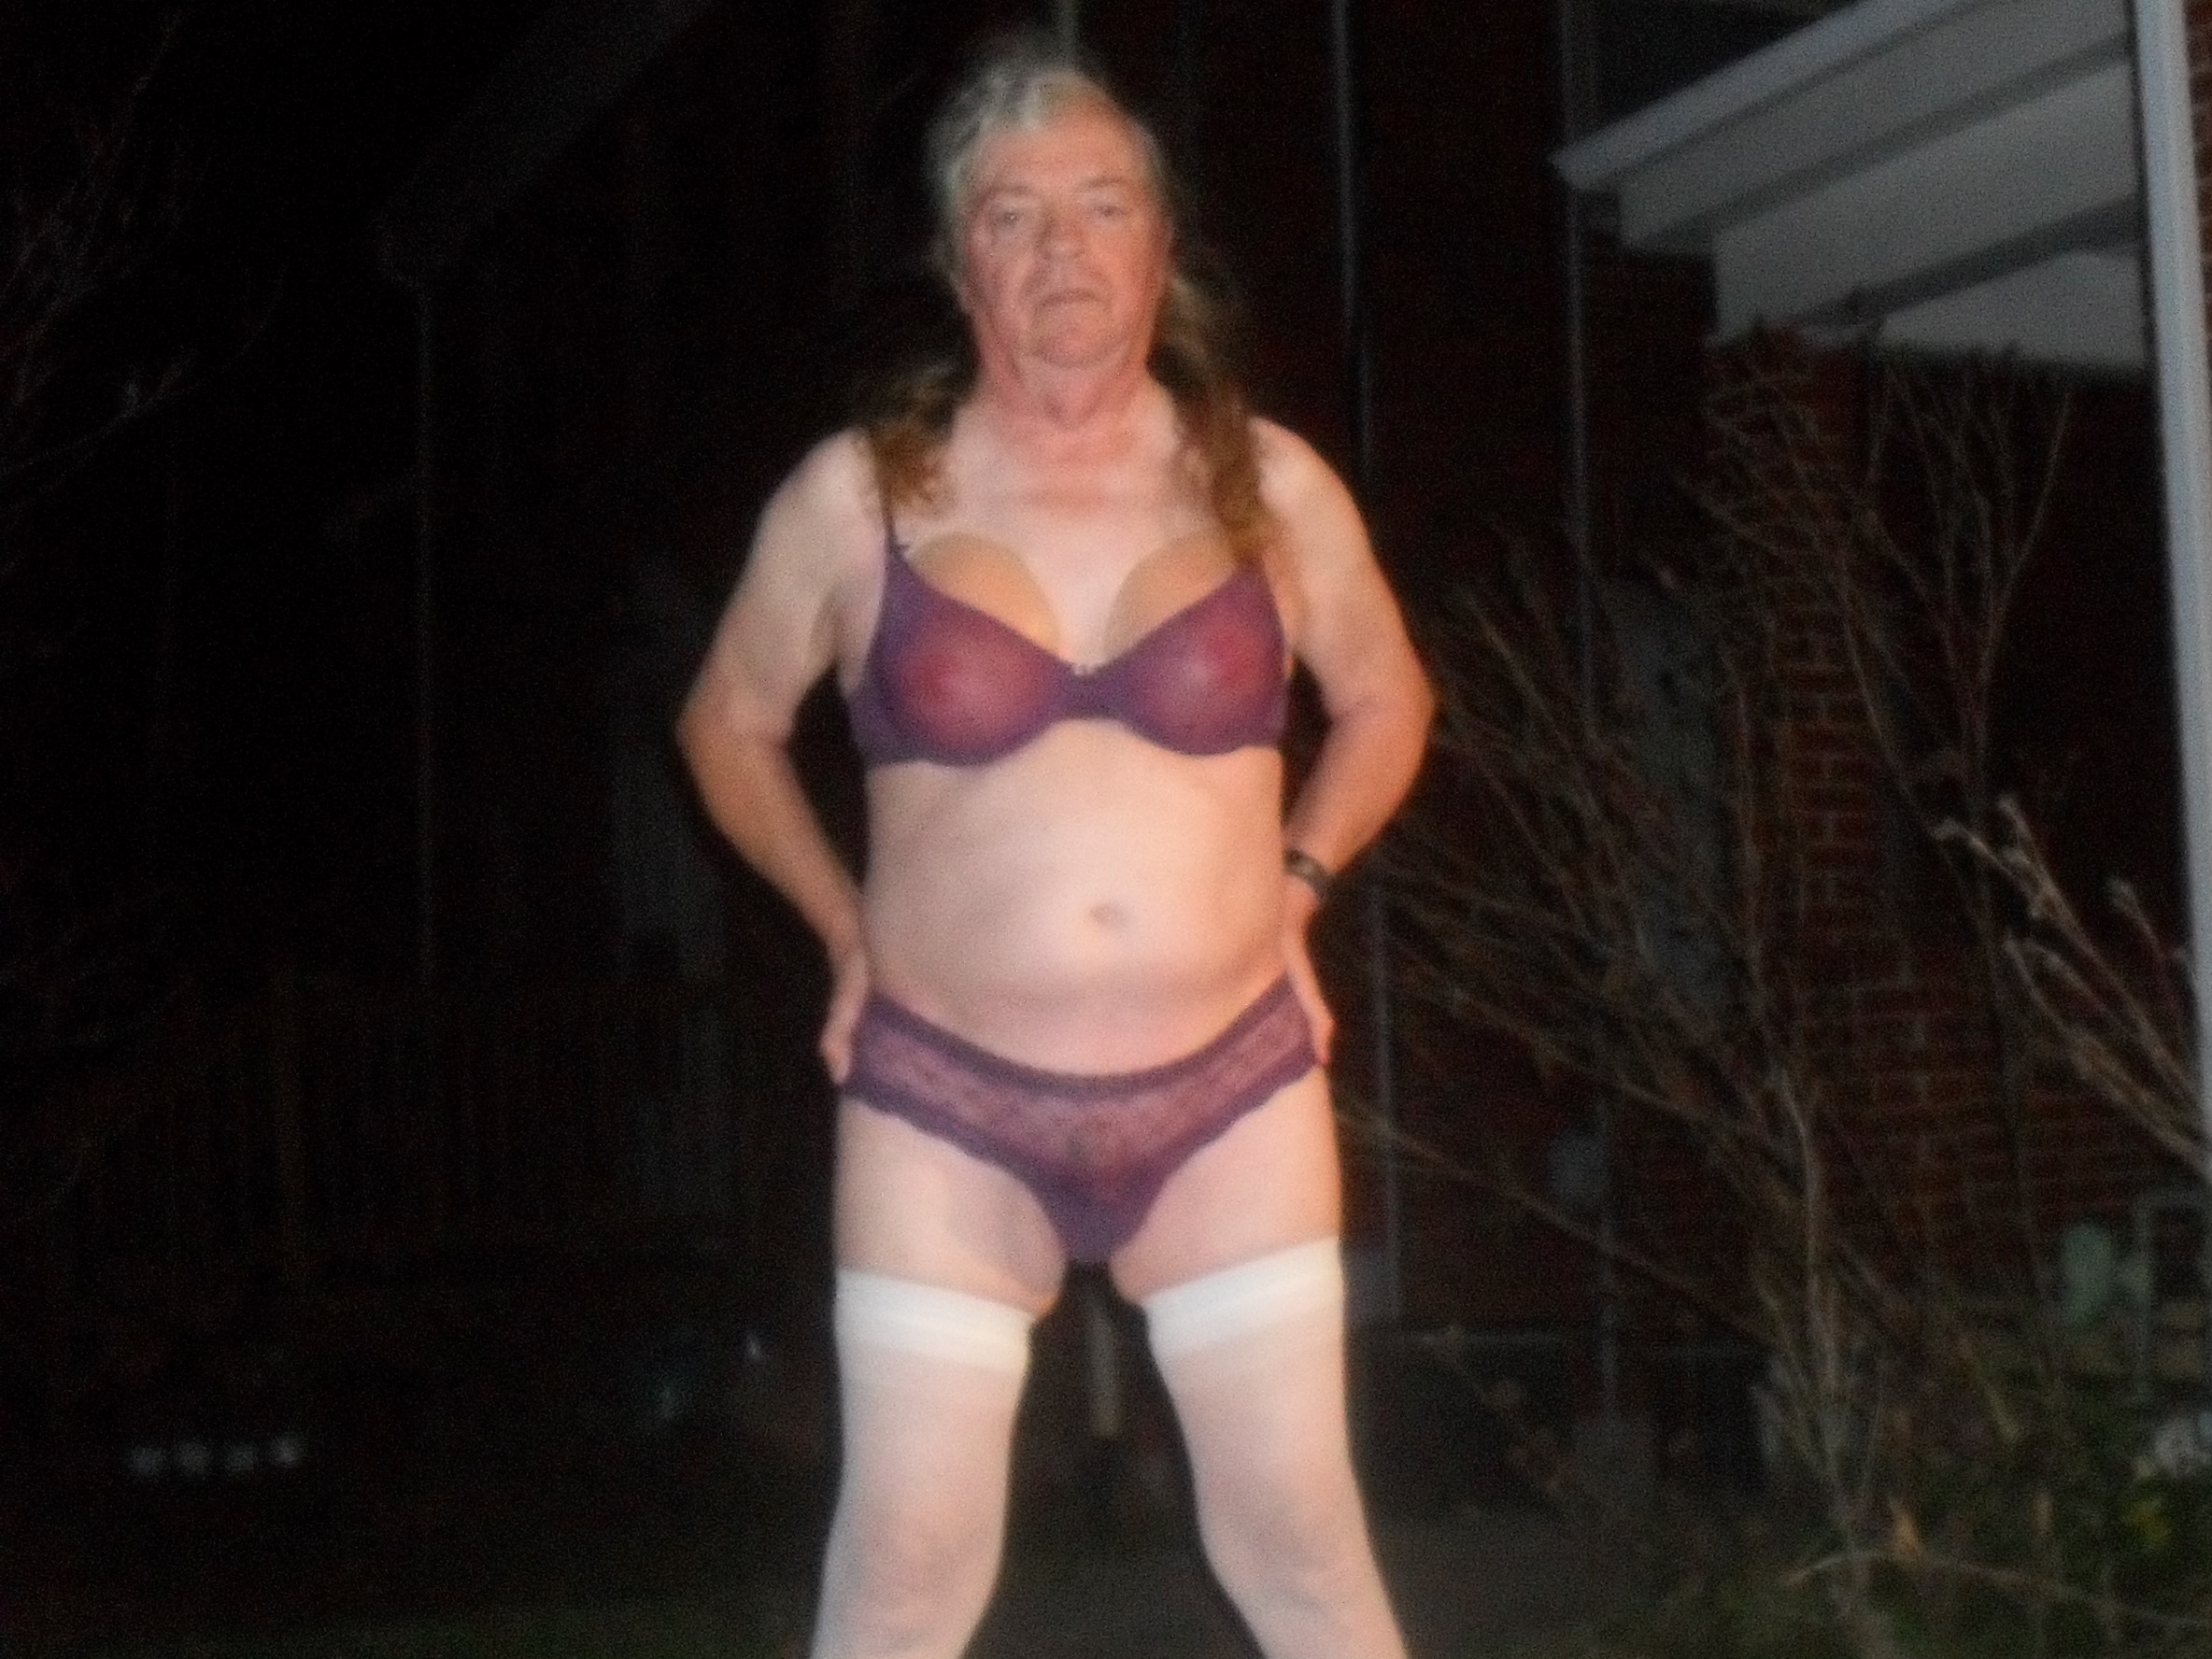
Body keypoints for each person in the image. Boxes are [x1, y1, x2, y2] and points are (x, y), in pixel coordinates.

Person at [678, 33, 1432, 1659]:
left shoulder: (1271, 487)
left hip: (1232, 1092)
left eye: (1101, 206)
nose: (1061, 251)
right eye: (1012, 216)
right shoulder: (860, 497)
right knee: (905, 1569)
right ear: (962, 265)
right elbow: (725, 724)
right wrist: (843, 927)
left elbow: (1388, 701)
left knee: (1302, 1548)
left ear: (1161, 247)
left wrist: (1299, 886)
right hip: (944, 1103)